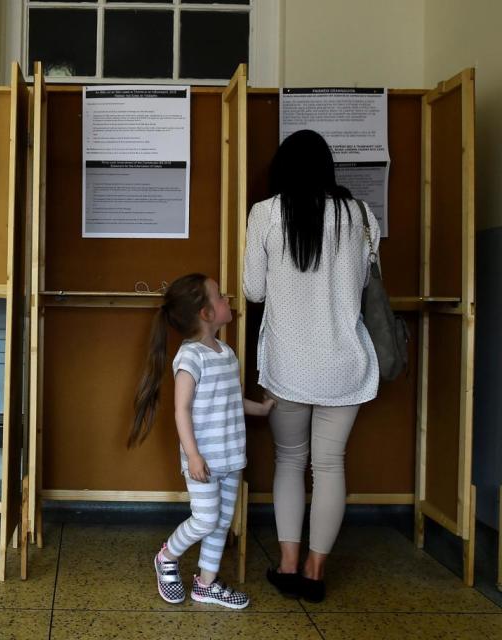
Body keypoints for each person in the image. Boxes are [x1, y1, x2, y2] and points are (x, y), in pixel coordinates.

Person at [243, 129, 381, 603]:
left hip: (289, 364)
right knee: (330, 465)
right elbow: (363, 284)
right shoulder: (360, 215)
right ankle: (315, 572)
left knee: (289, 461)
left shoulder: (265, 213)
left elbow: (254, 291)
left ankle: (286, 563)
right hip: (346, 363)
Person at [130, 273, 274, 609]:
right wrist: (193, 456)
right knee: (206, 519)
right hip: (204, 461)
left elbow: (231, 400)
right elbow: (181, 410)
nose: (228, 300)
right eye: (221, 297)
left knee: (222, 522)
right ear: (206, 314)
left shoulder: (225, 352)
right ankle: (167, 556)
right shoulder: (190, 357)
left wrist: (262, 409)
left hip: (231, 457)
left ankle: (206, 583)